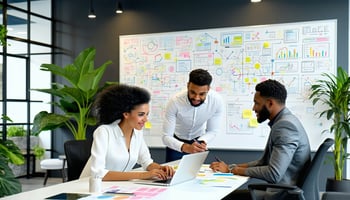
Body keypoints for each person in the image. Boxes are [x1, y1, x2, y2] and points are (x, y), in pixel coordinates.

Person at [210, 79, 311, 200]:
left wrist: (232, 170)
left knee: (223, 196)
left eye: (256, 103)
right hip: (283, 192)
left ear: (270, 103)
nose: (253, 108)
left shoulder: (285, 126)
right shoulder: (284, 121)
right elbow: (263, 162)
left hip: (281, 196)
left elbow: (274, 174)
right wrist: (231, 167)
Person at [80, 84, 174, 181]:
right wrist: (143, 175)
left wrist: (160, 168)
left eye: (147, 114)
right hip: (87, 187)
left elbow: (147, 162)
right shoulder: (104, 132)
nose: (145, 119)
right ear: (126, 114)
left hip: (115, 187)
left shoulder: (137, 133)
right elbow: (98, 173)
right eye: (141, 114)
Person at [162, 68, 224, 162]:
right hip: (176, 143)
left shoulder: (216, 101)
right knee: (172, 175)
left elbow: (212, 131)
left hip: (198, 141)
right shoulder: (175, 101)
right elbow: (166, 137)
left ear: (208, 89)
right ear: (188, 86)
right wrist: (185, 147)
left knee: (196, 174)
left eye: (202, 94)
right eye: (192, 92)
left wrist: (202, 141)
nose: (196, 98)